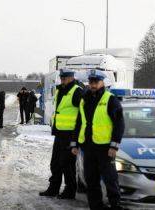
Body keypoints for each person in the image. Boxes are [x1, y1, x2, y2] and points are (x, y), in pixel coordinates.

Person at [71, 70, 124, 210]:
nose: (93, 85)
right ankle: (96, 206)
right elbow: (79, 123)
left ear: (102, 82)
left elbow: (119, 124)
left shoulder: (110, 99)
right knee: (91, 179)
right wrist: (74, 143)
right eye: (91, 82)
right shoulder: (84, 99)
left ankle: (115, 205)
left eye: (96, 82)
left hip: (105, 148)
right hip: (88, 147)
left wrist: (114, 146)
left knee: (110, 179)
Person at [39, 68, 85, 199]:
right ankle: (53, 188)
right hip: (60, 133)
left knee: (67, 164)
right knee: (55, 163)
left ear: (72, 77)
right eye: (62, 78)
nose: (63, 80)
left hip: (70, 134)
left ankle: (70, 190)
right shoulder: (60, 90)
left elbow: (82, 115)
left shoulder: (77, 91)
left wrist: (77, 137)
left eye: (65, 78)